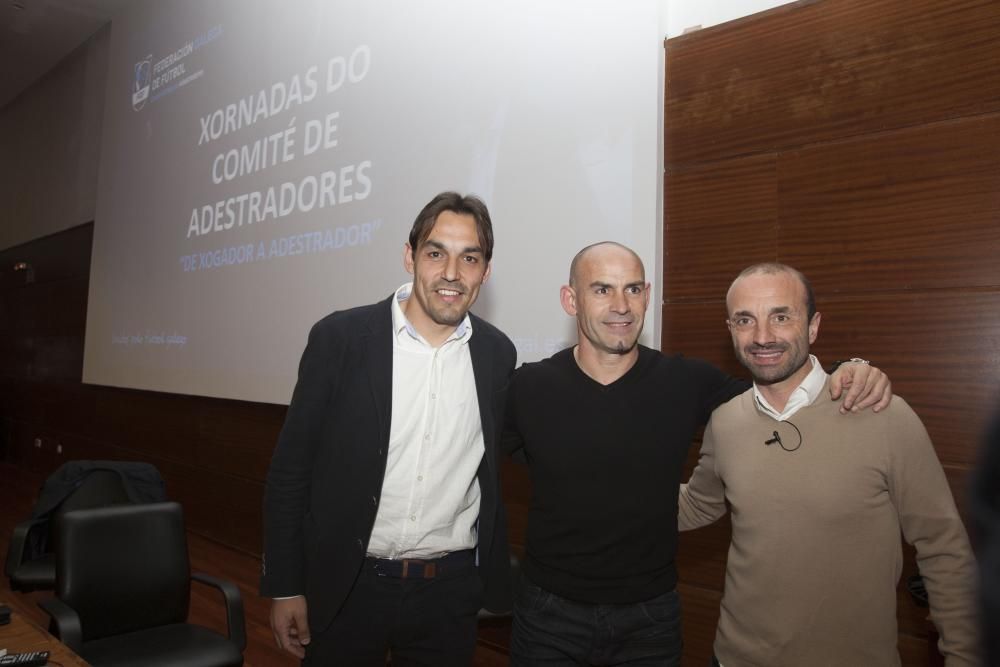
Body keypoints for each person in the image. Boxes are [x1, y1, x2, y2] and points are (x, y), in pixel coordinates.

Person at [503, 243, 891, 666]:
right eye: (602, 290)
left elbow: (783, 392)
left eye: (632, 289)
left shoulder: (685, 381)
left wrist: (847, 367)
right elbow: (508, 457)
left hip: (649, 620)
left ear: (647, 295)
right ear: (571, 299)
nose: (621, 305)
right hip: (547, 616)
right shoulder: (529, 388)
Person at [260, 192, 516, 666]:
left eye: (470, 258)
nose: (452, 273)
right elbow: (290, 471)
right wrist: (285, 585)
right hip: (347, 585)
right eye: (436, 253)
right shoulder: (341, 339)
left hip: (449, 593)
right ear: (409, 256)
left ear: (486, 271)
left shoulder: (498, 355)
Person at [678, 262, 978, 666]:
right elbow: (699, 503)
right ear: (730, 329)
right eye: (745, 320)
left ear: (813, 326)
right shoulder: (725, 421)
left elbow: (943, 547)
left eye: (781, 317)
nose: (763, 336)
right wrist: (596, 489)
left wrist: (966, 655)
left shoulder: (883, 414)